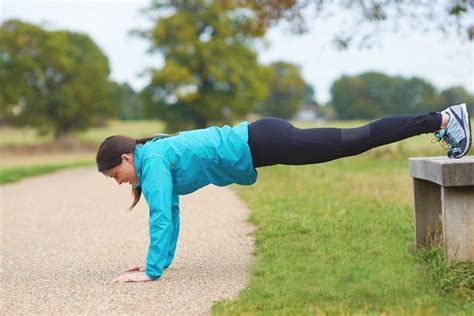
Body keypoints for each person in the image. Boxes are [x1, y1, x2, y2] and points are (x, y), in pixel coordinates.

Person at [96, 103, 471, 284]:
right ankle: (440, 121)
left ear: (127, 157)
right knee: (352, 141)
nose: (119, 182)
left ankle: (439, 119)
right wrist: (155, 263)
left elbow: (160, 214)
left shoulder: (154, 160)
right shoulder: (154, 159)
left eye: (116, 174)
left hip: (263, 140)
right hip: (263, 140)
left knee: (354, 140)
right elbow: (170, 213)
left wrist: (152, 271)